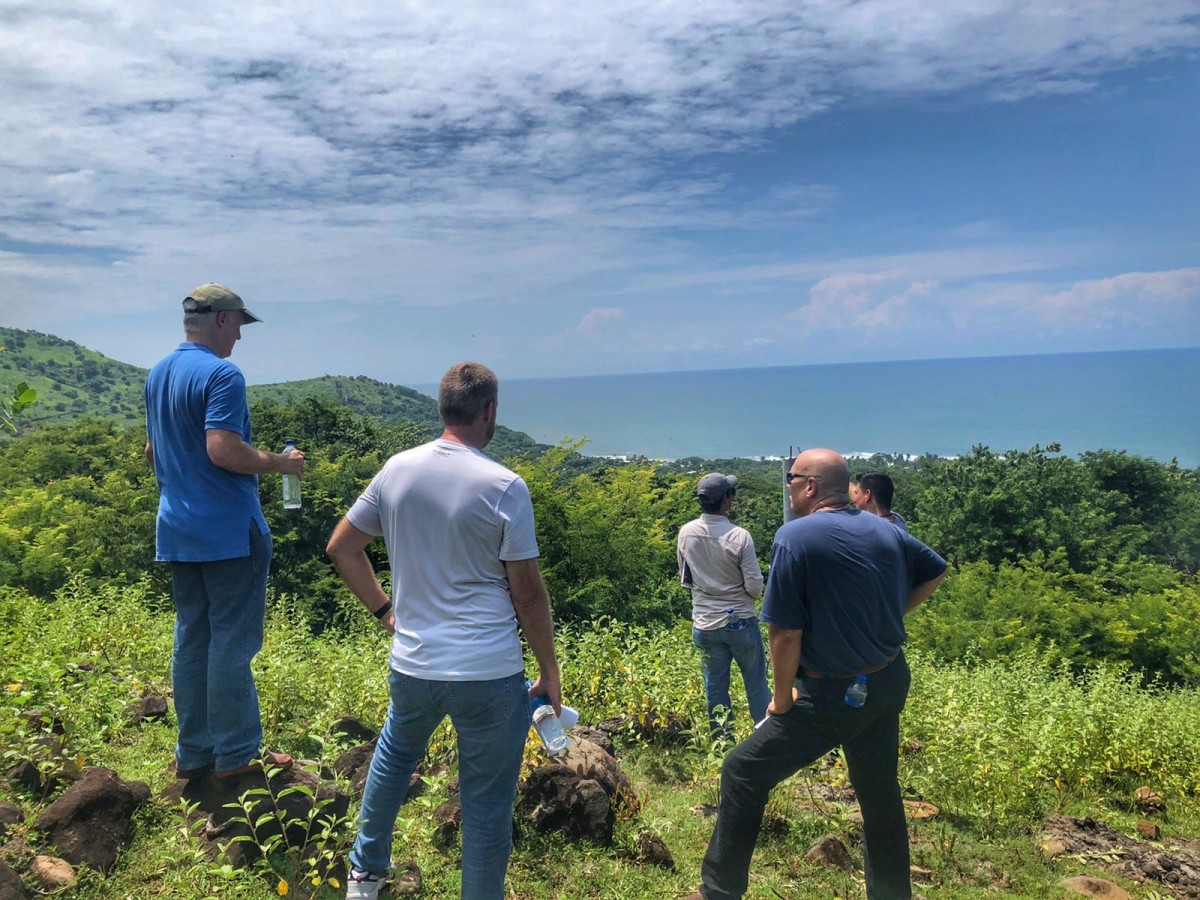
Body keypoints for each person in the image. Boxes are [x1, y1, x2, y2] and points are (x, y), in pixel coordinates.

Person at [326, 361, 561, 900]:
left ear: (442, 408)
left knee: (391, 759)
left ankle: (363, 879)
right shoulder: (504, 486)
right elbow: (526, 592)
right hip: (488, 672)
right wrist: (549, 670)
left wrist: (386, 611)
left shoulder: (396, 470)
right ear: (490, 411)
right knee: (485, 805)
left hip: (413, 664)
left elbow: (342, 548)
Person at [688, 449, 947, 900]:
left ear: (810, 486)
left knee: (743, 772)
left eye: (791, 478)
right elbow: (935, 570)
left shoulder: (796, 537)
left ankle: (718, 893)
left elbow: (785, 633)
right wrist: (891, 617)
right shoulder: (884, 528)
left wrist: (783, 696)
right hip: (886, 680)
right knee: (879, 793)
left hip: (831, 693)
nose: (787, 485)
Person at [144, 283, 305, 781]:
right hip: (229, 533)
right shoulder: (222, 373)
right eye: (239, 323)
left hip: (177, 528)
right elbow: (223, 449)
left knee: (193, 639)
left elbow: (154, 454)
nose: (240, 335)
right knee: (232, 644)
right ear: (219, 320)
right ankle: (236, 755)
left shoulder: (158, 373)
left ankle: (194, 752)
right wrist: (282, 464)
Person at [677, 473, 770, 739]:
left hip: (704, 622)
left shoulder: (686, 532)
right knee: (756, 684)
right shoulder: (739, 536)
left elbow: (686, 579)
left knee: (715, 687)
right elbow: (754, 588)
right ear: (726, 499)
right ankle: (766, 740)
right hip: (739, 619)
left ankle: (722, 743)